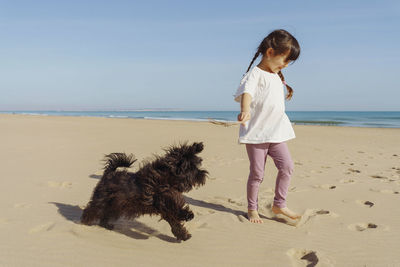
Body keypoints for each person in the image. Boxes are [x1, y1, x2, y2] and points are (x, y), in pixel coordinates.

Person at [234, 29, 301, 223]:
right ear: (270, 52)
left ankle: (279, 204)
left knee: (287, 167)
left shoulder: (276, 75)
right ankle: (252, 208)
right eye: (285, 60)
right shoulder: (254, 74)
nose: (285, 65)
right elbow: (247, 93)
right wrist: (245, 110)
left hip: (276, 133)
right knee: (257, 173)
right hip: (257, 134)